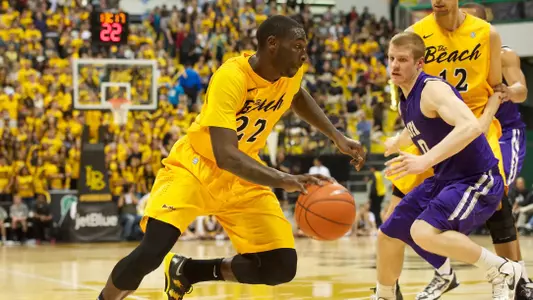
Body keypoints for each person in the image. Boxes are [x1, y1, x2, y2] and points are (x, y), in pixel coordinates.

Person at [97, 15, 365, 300]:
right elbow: (226, 156)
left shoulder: (290, 73)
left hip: (243, 174)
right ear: (272, 44)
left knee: (280, 266)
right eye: (298, 46)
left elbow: (297, 96)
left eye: (305, 47)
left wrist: (336, 136)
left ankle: (188, 271)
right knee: (151, 252)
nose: (304, 54)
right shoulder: (231, 77)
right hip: (195, 167)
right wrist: (284, 179)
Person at [381, 0, 530, 298]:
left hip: (473, 124)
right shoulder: (416, 35)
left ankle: (517, 279)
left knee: (497, 200)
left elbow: (497, 90)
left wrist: (501, 99)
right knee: (395, 215)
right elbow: (406, 88)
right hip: (433, 126)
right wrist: (401, 138)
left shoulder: (487, 36)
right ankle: (420, 280)